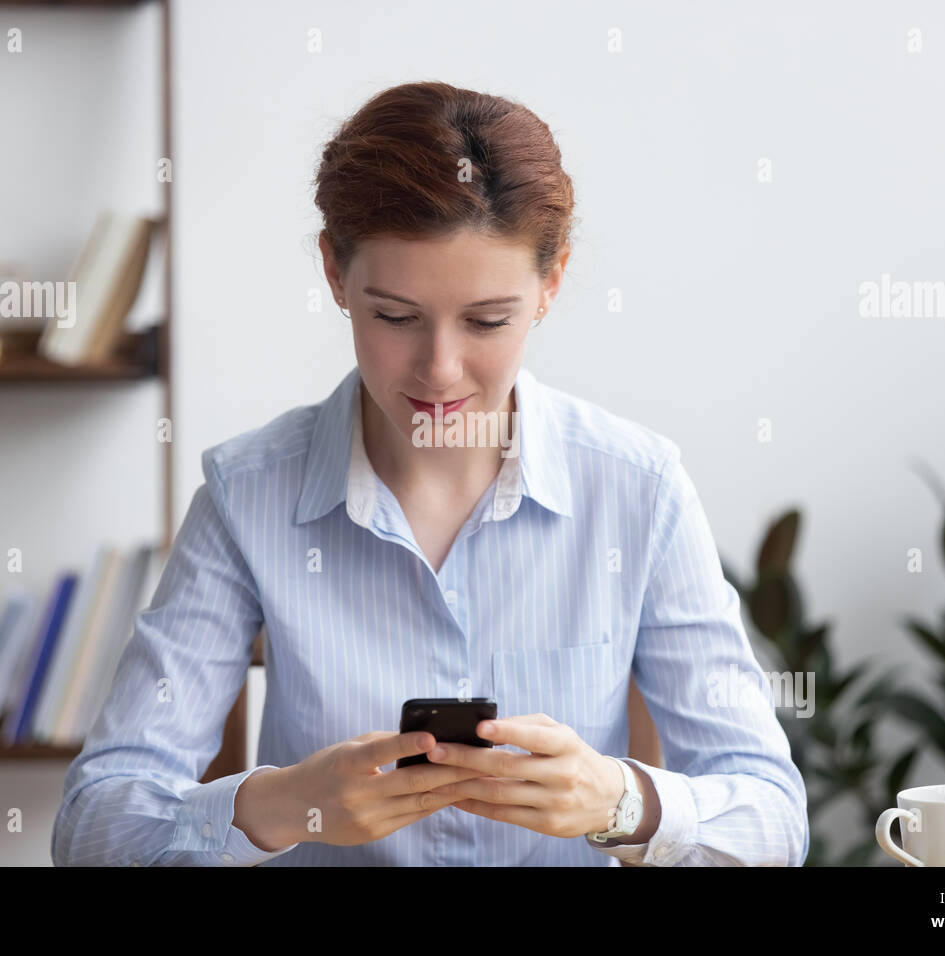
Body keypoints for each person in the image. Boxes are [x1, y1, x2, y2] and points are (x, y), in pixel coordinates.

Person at [51, 80, 809, 867]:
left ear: (551, 284)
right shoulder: (248, 497)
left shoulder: (638, 491)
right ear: (335, 275)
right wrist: (283, 806)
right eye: (395, 316)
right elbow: (91, 830)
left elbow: (773, 822)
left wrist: (619, 804)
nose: (440, 370)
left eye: (487, 320)